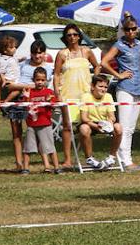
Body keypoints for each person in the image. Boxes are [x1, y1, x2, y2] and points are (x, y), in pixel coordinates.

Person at [98, 17, 140, 170]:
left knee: (131, 127)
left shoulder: (139, 44)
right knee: (123, 126)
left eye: (133, 28)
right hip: (125, 88)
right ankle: (125, 160)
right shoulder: (119, 45)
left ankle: (127, 158)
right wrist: (118, 75)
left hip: (138, 87)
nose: (131, 32)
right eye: (127, 29)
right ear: (123, 30)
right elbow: (104, 62)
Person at [53, 23, 97, 169]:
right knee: (67, 126)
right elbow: (56, 74)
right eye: (69, 35)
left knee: (84, 125)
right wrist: (57, 93)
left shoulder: (87, 51)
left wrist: (95, 81)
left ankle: (88, 157)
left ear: (79, 36)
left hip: (85, 94)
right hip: (67, 93)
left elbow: (97, 66)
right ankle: (67, 159)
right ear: (65, 37)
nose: (72, 37)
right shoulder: (62, 54)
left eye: (75, 34)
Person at [0, 35, 27, 172]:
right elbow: (0, 72)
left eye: (15, 47)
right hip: (10, 82)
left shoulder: (13, 57)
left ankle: (23, 161)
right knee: (19, 90)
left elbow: (20, 58)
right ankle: (5, 102)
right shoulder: (2, 60)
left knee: (20, 90)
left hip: (16, 82)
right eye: (12, 47)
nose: (15, 49)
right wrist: (4, 81)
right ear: (5, 50)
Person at [77, 74, 121, 170]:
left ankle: (112, 157)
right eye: (100, 86)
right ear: (93, 87)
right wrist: (96, 126)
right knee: (84, 129)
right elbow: (84, 118)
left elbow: (112, 117)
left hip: (104, 123)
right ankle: (89, 158)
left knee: (118, 127)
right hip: (90, 123)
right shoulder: (85, 97)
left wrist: (109, 122)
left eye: (105, 87)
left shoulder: (108, 96)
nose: (103, 89)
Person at [21, 66, 58, 174]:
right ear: (33, 80)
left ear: (46, 80)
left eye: (42, 80)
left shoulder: (49, 92)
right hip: (31, 124)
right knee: (28, 147)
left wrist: (50, 101)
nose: (40, 82)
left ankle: (56, 167)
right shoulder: (30, 92)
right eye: (38, 80)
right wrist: (26, 97)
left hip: (45, 124)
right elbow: (26, 106)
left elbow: (53, 106)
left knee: (50, 147)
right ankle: (25, 168)